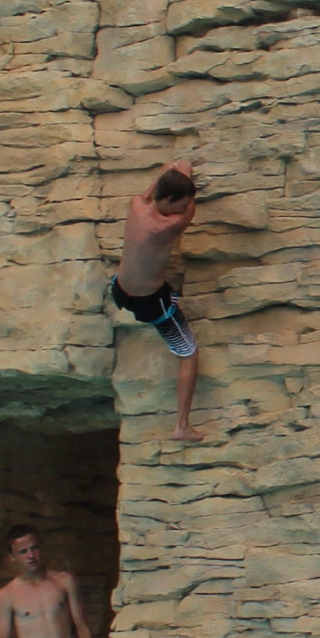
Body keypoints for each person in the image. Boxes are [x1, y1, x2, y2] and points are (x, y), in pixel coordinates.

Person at [111, 163, 202, 440]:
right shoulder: (168, 226)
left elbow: (156, 188)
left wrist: (172, 174)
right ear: (170, 200)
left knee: (167, 289)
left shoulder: (136, 205)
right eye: (181, 203)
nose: (184, 207)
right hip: (152, 303)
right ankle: (182, 426)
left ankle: (172, 297)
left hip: (120, 289)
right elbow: (189, 210)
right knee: (188, 354)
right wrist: (185, 178)